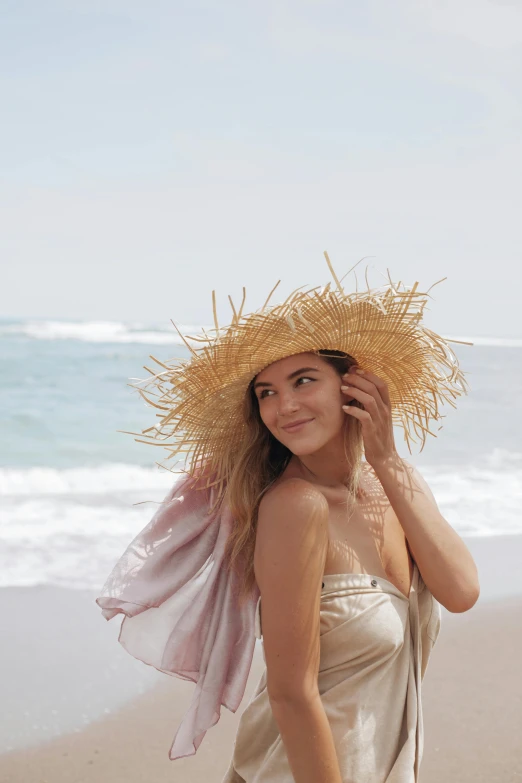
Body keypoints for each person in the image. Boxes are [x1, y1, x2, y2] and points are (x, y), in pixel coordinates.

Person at [97, 253, 480, 782]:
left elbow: (460, 591)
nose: (284, 406)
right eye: (266, 392)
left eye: (303, 380)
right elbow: (290, 691)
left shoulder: (395, 486)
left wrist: (387, 459)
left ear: (354, 385)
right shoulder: (294, 507)